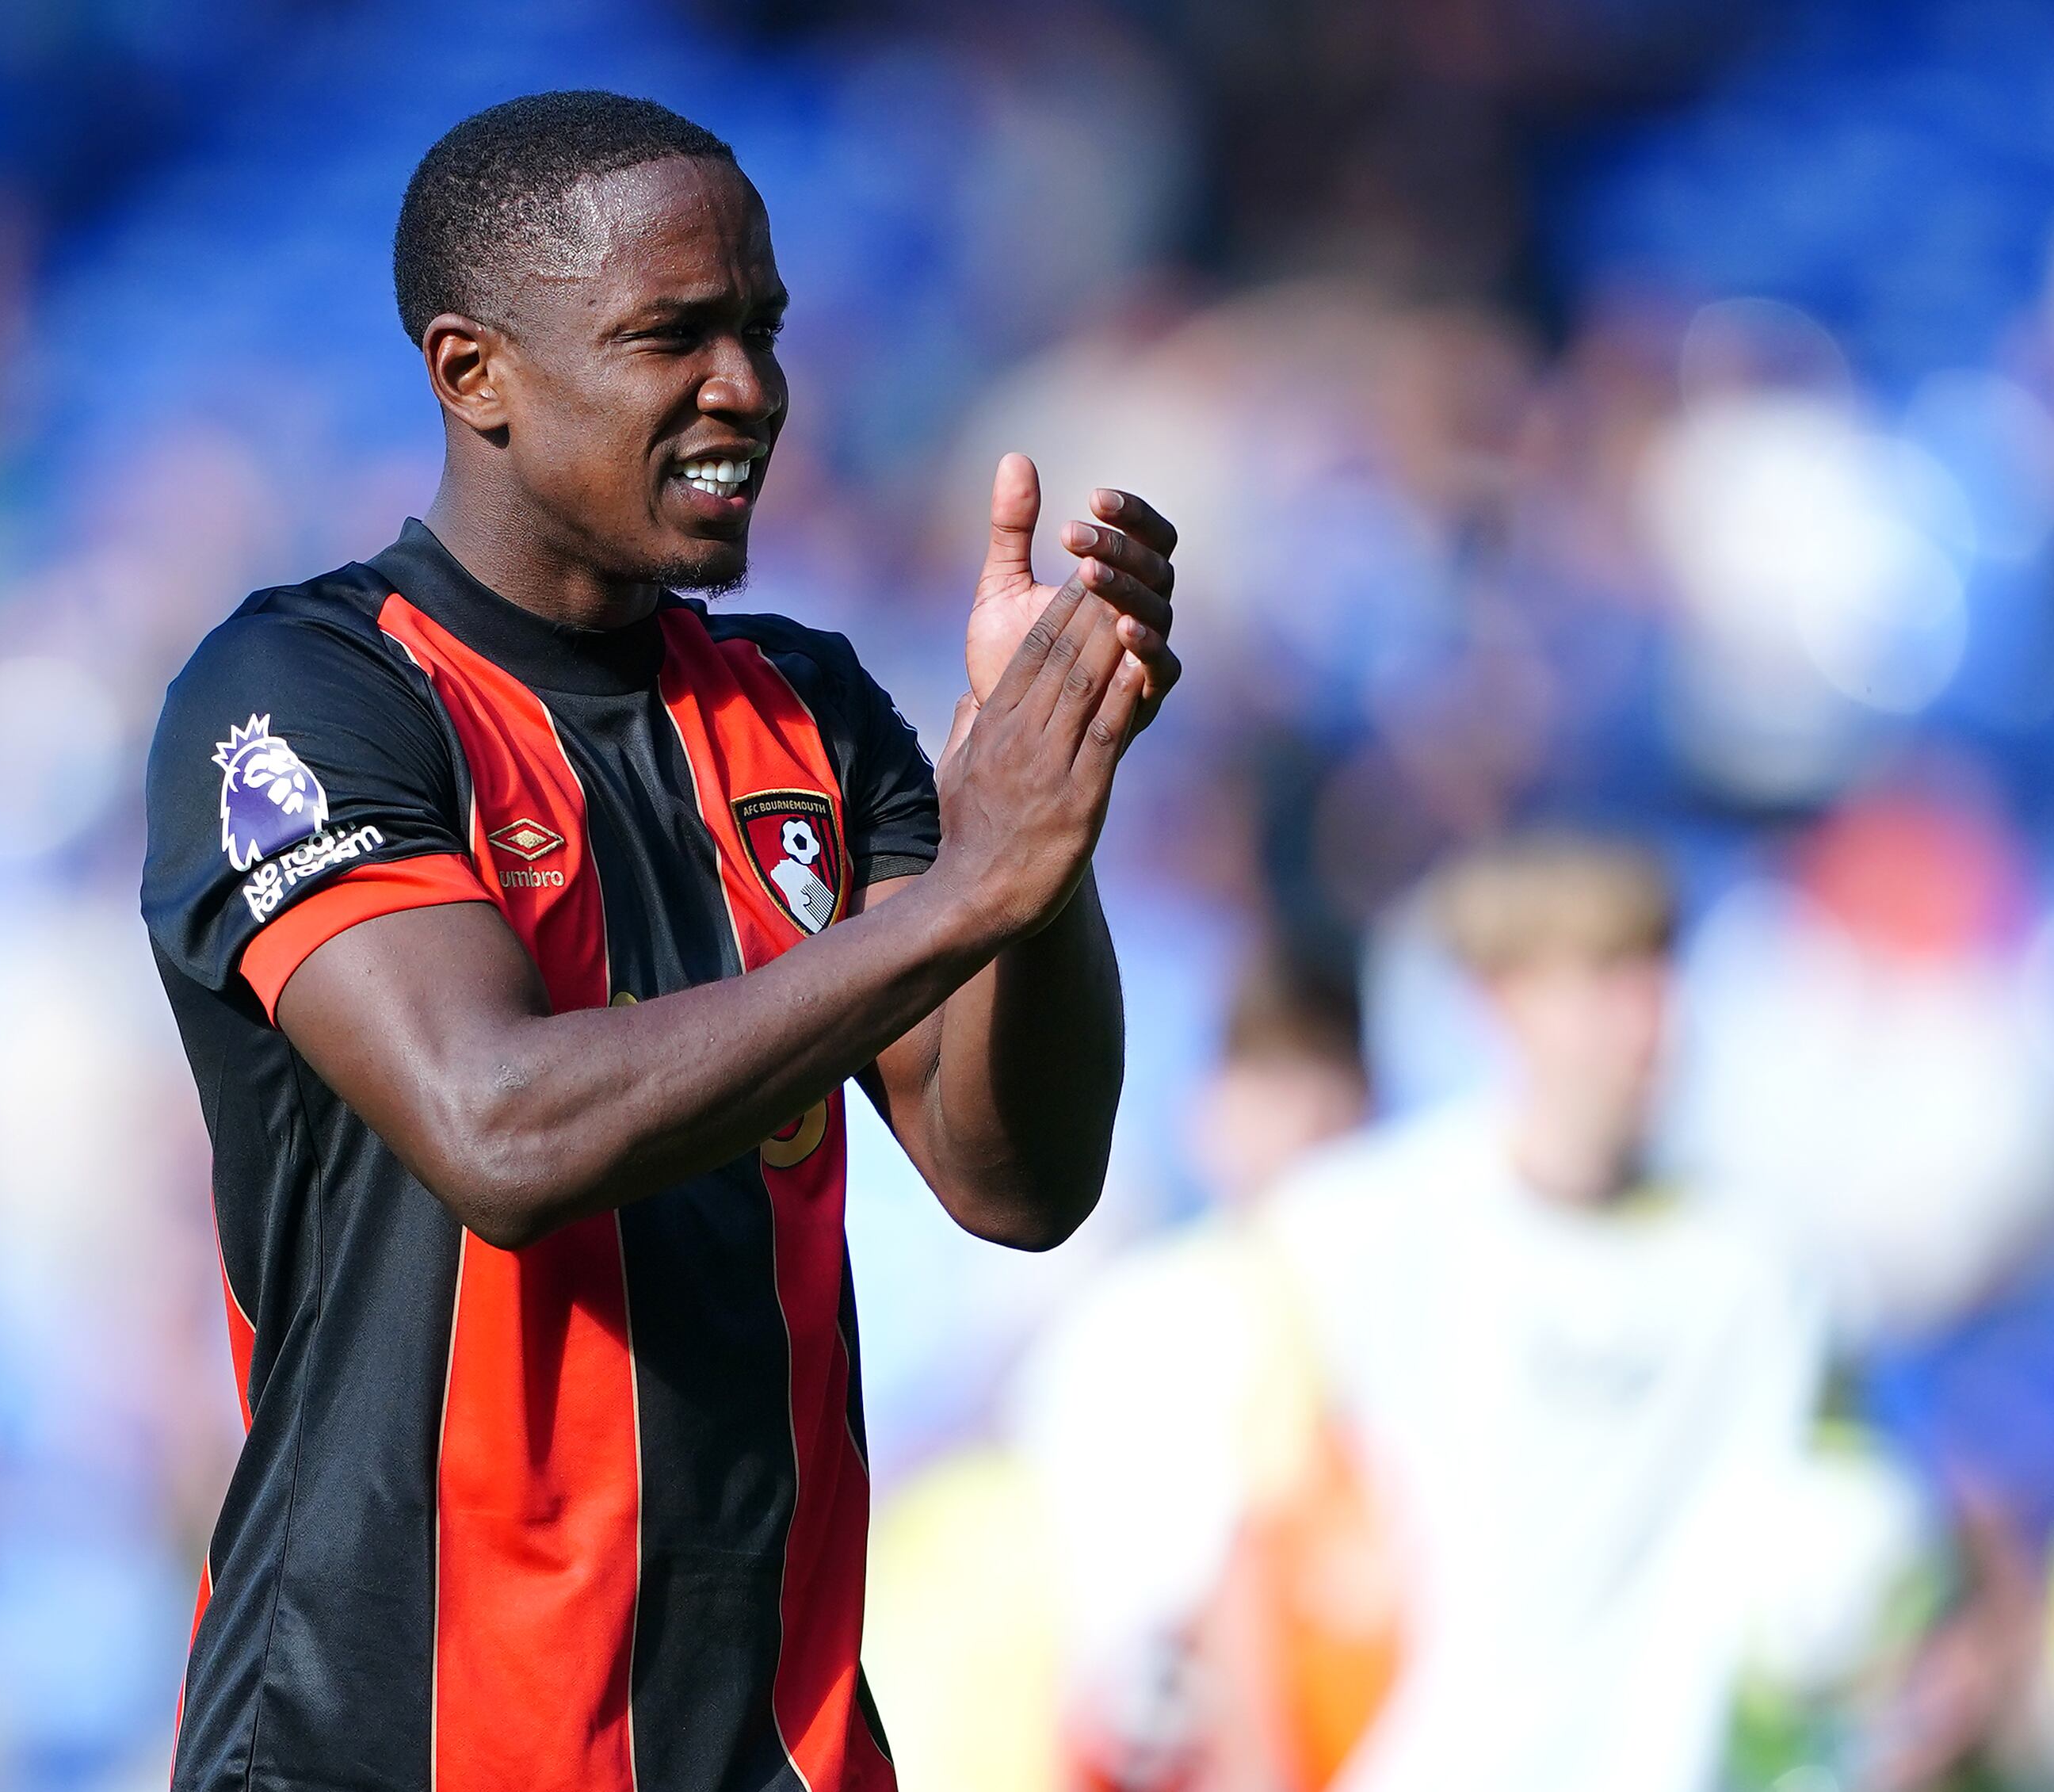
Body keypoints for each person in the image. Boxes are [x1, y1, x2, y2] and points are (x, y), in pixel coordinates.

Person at [138, 92, 1180, 1792]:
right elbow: (499, 1129)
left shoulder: (810, 711)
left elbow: (1017, 1181)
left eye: (760, 330)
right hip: (383, 1744)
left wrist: (1043, 840)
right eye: (671, 336)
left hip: (773, 1749)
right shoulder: (305, 694)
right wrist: (968, 891)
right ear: (473, 373)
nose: (746, 388)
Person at [1254, 834, 1822, 1792]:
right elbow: (1249, 1545)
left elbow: (1851, 1532)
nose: (1647, 1018)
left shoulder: (1764, 1269)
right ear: (1497, 998)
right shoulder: (1349, 1230)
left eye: (1658, 971)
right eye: (1601, 977)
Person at [1012, 946, 1381, 1792]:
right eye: (1267, 1078)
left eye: (1323, 1077)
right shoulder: (1131, 1322)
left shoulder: (1422, 1299)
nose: (1302, 1116)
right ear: (1206, 1110)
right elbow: (1136, 1621)